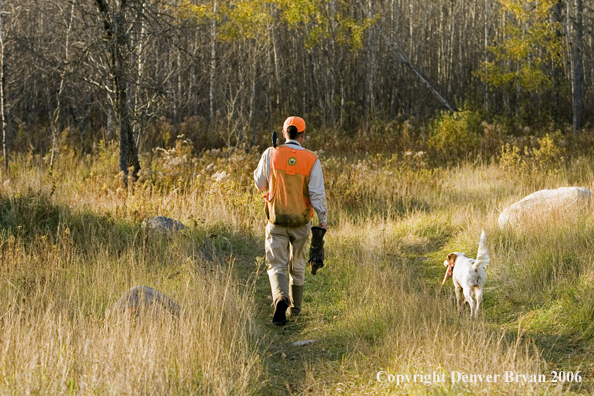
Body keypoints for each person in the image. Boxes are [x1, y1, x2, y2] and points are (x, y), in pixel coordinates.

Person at [253, 116, 327, 326]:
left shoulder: (271, 153)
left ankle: (280, 298)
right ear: (302, 135)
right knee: (299, 264)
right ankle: (296, 311)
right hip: (301, 221)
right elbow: (317, 194)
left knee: (277, 264)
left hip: (276, 219)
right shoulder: (312, 159)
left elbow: (260, 183)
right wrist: (322, 220)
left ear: (284, 133)